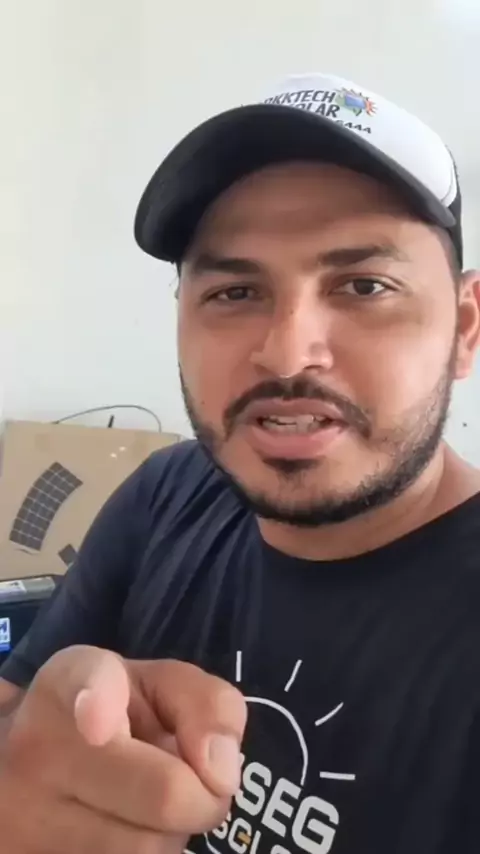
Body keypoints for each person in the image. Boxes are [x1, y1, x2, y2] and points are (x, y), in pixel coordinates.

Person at [0, 71, 479, 854]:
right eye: (234, 293)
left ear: (464, 328)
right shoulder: (169, 492)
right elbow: (15, 709)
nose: (287, 354)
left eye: (364, 286)